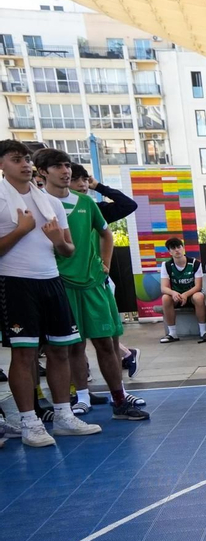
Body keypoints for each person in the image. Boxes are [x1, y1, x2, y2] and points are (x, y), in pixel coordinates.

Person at [0, 141, 100, 446]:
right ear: (1, 165)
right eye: (16, 159)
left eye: (27, 159)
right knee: (25, 353)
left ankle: (63, 415)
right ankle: (29, 423)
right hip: (15, 282)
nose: (25, 164)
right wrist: (21, 229)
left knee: (60, 349)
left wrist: (58, 240)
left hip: (51, 280)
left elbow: (68, 250)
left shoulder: (49, 202)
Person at [36, 148, 148, 421]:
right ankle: (81, 398)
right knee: (71, 348)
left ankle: (119, 400)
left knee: (106, 344)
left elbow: (106, 234)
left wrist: (104, 265)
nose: (66, 171)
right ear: (43, 172)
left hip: (92, 284)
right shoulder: (38, 204)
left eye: (67, 165)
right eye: (58, 166)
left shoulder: (86, 203)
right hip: (60, 286)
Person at [158, 236, 205, 342]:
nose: (177, 250)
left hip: (191, 295)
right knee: (165, 298)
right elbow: (163, 288)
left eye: (179, 247)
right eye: (173, 248)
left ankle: (203, 331)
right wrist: (173, 293)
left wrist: (185, 295)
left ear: (183, 248)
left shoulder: (195, 263)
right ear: (169, 252)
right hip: (177, 297)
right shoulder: (166, 265)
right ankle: (172, 333)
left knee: (199, 297)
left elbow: (198, 286)